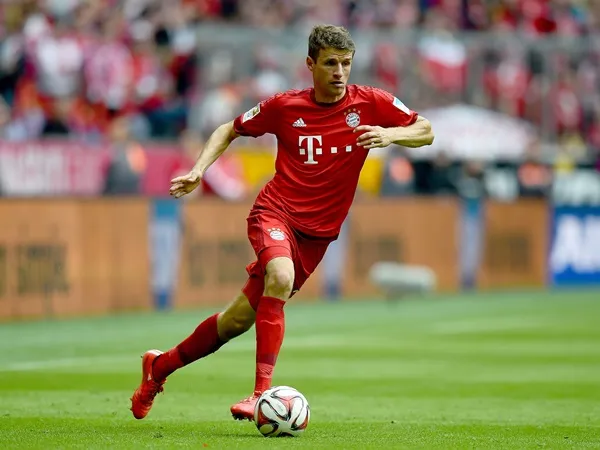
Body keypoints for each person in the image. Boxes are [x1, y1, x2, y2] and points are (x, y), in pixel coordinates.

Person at [130, 24, 434, 421]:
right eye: (330, 63)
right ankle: (261, 394)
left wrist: (390, 135)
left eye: (346, 63)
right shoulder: (285, 106)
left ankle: (159, 367)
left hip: (317, 236)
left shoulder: (371, 102)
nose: (340, 72)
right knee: (280, 276)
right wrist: (198, 170)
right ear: (310, 64)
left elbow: (425, 131)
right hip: (275, 213)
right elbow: (228, 129)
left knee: (235, 321)